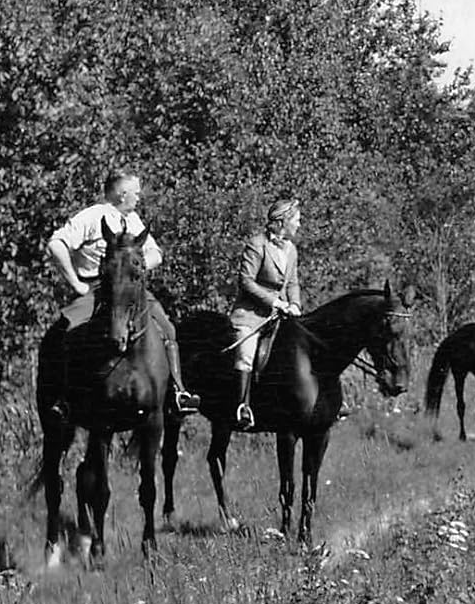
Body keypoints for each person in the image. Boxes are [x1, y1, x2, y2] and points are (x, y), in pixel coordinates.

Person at [42, 169, 200, 418]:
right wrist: (76, 283)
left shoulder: (135, 220)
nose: (139, 197)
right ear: (121, 193)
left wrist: (137, 266)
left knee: (167, 328)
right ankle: (66, 397)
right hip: (97, 288)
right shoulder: (92, 216)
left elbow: (156, 253)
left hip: (132, 289)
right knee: (70, 328)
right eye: (136, 192)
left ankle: (176, 391)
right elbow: (55, 244)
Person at [230, 198, 303, 429]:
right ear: (282, 222)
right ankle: (243, 406)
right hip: (252, 314)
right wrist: (275, 302)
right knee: (246, 352)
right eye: (296, 221)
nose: (299, 225)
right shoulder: (257, 245)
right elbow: (246, 281)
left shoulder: (291, 249)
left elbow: (292, 282)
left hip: (282, 314)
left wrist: (295, 304)